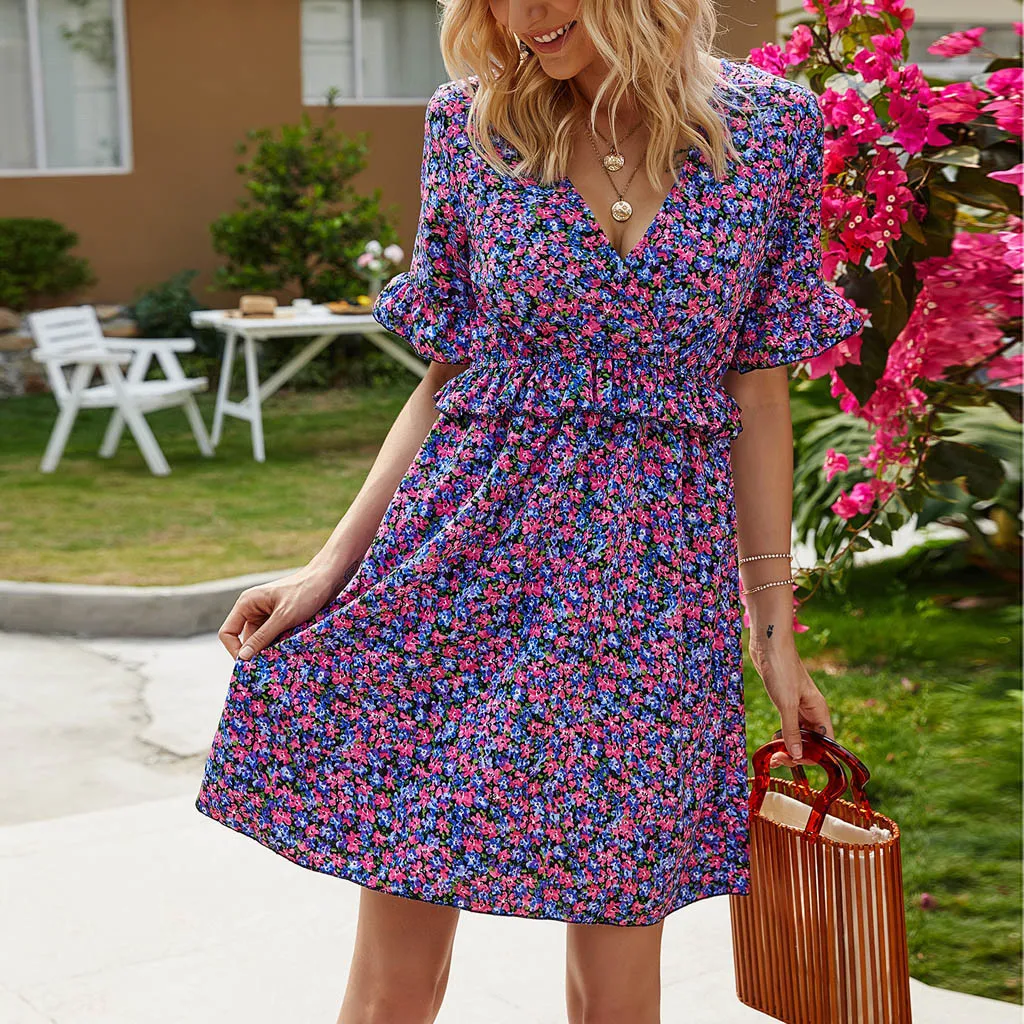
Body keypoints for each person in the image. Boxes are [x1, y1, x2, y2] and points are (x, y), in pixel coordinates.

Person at [195, 1, 868, 1021]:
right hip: (463, 559)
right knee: (396, 969)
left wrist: (771, 631)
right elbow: (445, 376)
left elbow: (759, 386)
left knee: (618, 969)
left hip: (652, 588)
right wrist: (329, 568)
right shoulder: (473, 121)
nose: (526, 15)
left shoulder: (773, 128)